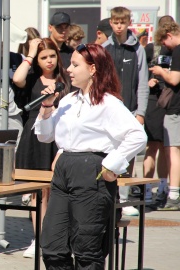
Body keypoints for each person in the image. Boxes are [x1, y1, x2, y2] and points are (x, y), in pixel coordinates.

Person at [35, 43, 147, 269]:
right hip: (64, 170)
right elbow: (45, 136)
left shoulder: (108, 103)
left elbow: (137, 135)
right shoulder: (67, 101)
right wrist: (46, 108)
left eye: (75, 65)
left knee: (87, 248)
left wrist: (112, 164)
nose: (68, 69)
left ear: (93, 69)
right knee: (52, 246)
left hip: (91, 171)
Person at [12, 37, 71, 258]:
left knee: (58, 191)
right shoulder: (32, 79)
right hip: (35, 137)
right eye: (43, 57)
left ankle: (56, 239)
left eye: (52, 56)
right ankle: (39, 240)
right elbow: (17, 78)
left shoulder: (66, 78)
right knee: (39, 192)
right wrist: (30, 52)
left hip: (61, 137)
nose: (49, 61)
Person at [102, 6, 149, 216]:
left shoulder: (136, 48)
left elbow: (143, 83)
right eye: (115, 22)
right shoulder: (105, 48)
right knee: (109, 151)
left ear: (128, 23)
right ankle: (110, 194)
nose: (119, 26)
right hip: (109, 111)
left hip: (130, 110)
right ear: (111, 23)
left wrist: (141, 112)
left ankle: (125, 197)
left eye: (123, 22)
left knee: (128, 155)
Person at [142, 16, 176, 208]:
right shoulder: (151, 48)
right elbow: (143, 71)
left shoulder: (175, 49)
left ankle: (163, 188)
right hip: (154, 101)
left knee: (166, 147)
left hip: (171, 99)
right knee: (152, 146)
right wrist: (149, 80)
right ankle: (147, 187)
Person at [150, 21, 180, 211]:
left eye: (163, 42)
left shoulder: (177, 50)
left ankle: (174, 194)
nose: (165, 47)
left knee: (172, 151)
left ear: (169, 35)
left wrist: (161, 72)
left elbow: (174, 79)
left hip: (176, 108)